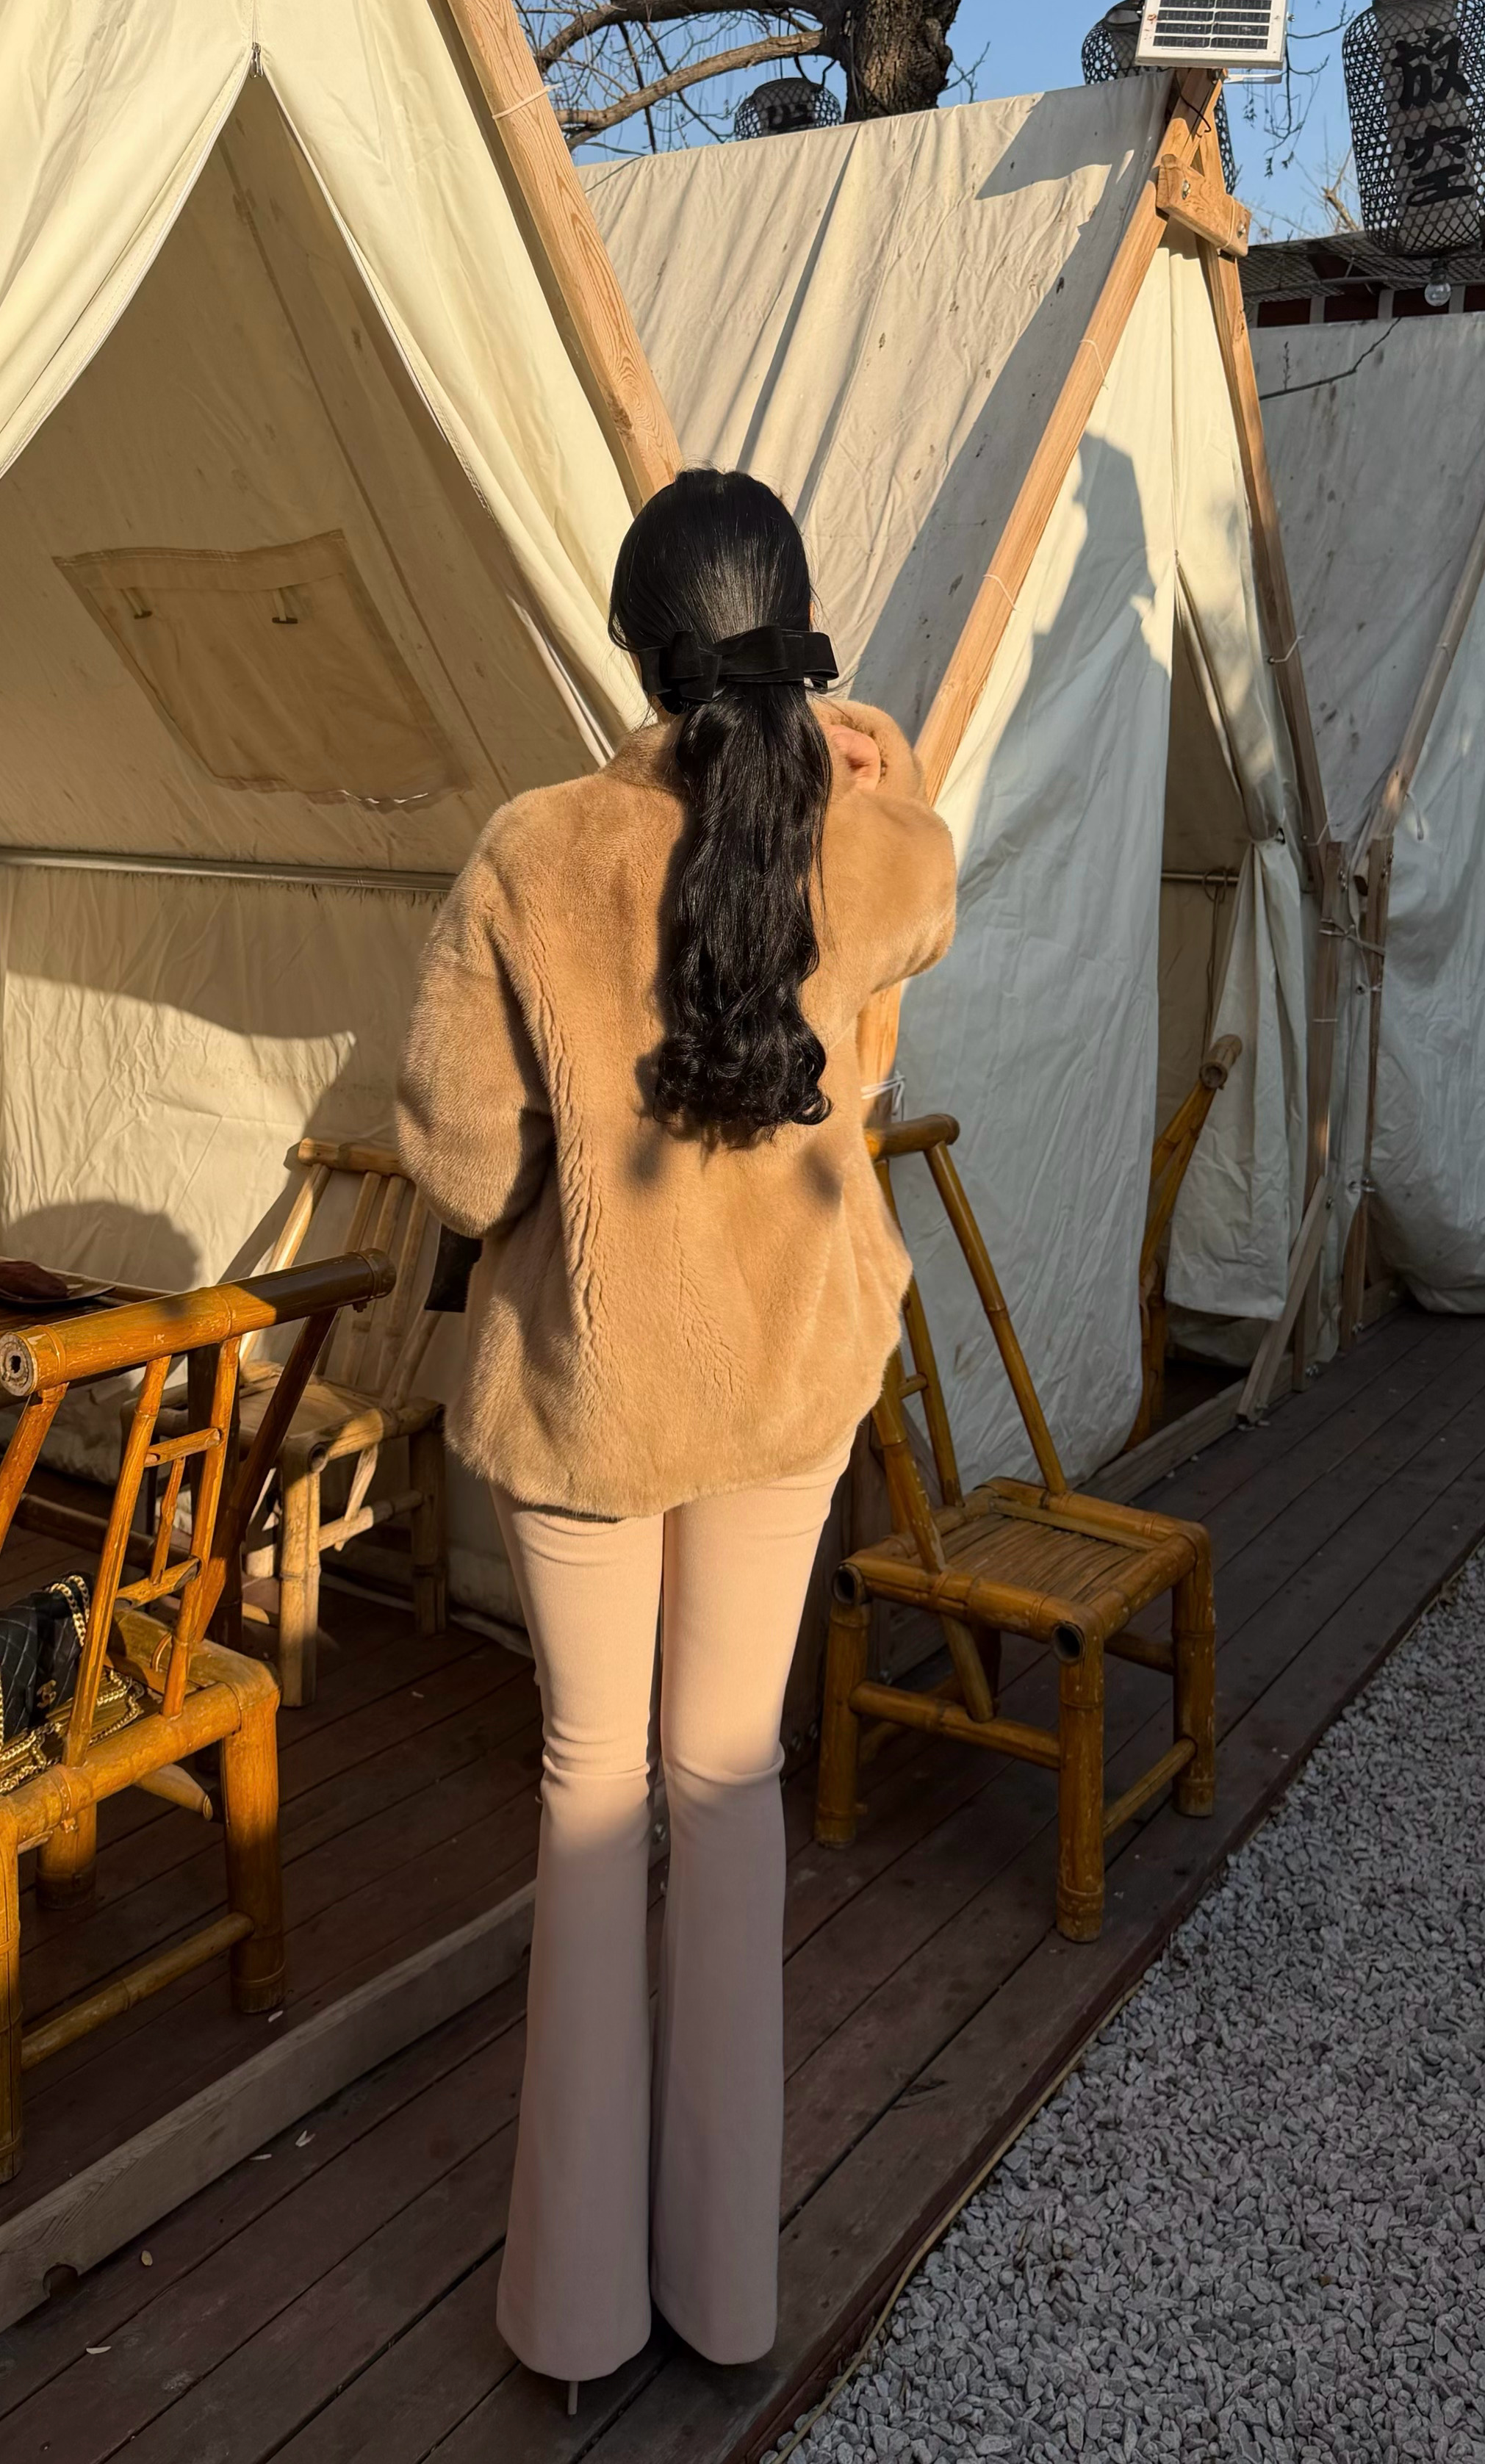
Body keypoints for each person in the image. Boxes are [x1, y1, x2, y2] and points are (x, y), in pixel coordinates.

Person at [395, 467, 957, 2392]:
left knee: (590, 1789)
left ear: (637, 654)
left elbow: (463, 1165)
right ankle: (728, 2294)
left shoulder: (533, 855)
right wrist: (872, 753)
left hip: (595, 1393)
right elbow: (915, 893)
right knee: (728, 1785)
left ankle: (572, 2314)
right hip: (790, 1382)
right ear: (802, 648)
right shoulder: (870, 850)